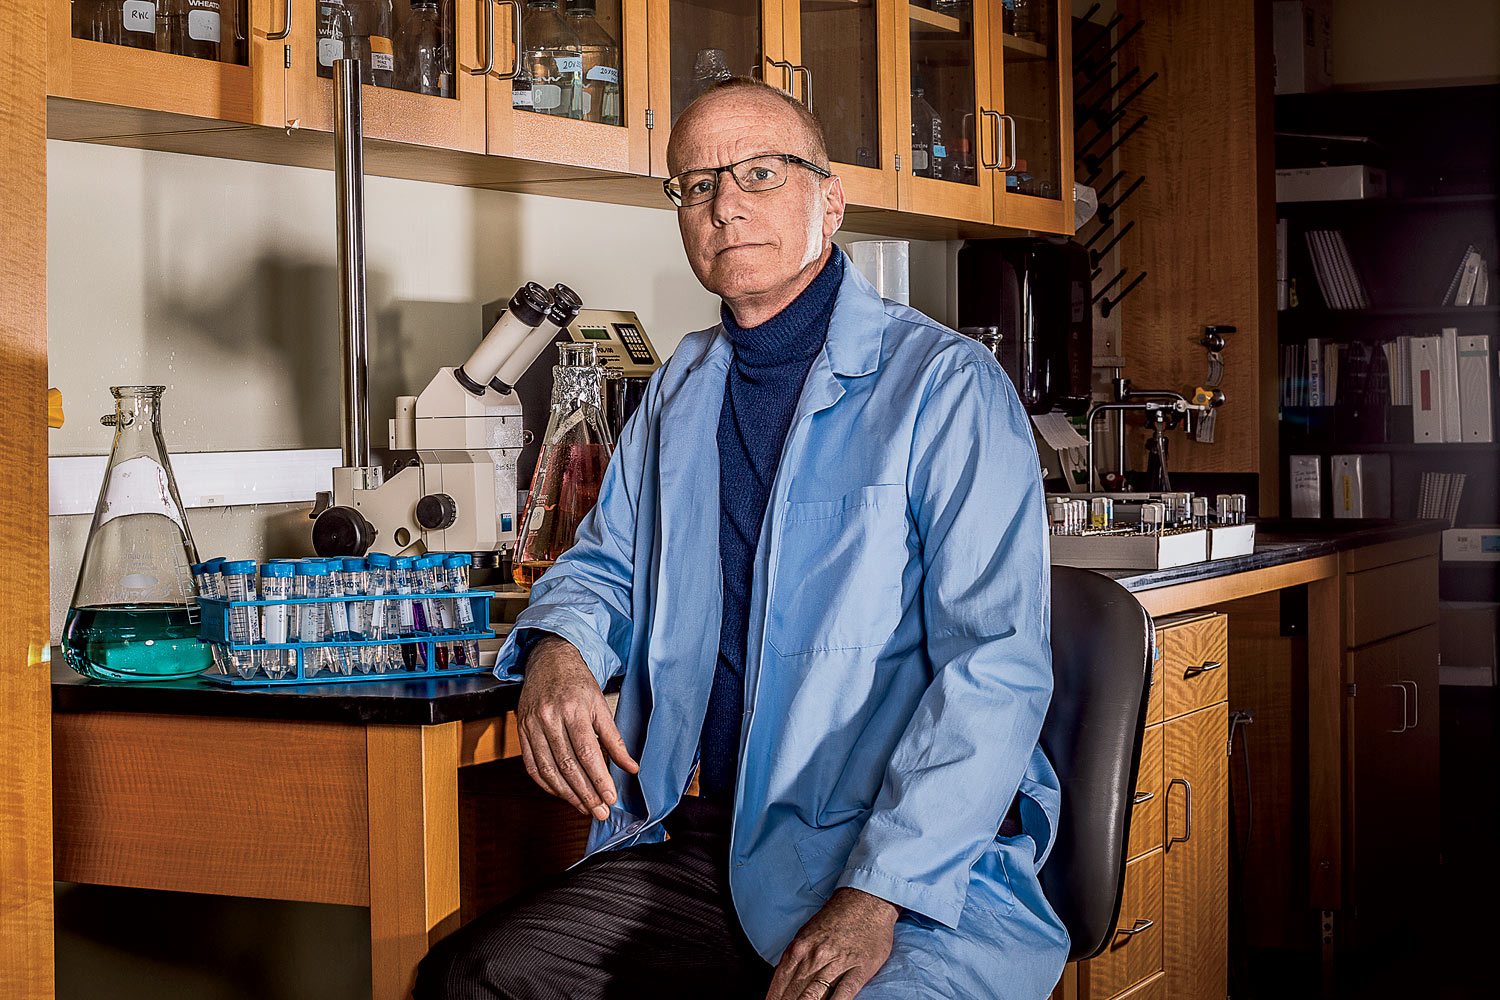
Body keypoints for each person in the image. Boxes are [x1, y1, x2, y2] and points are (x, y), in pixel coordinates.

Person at [415, 77, 1068, 999]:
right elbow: (604, 565)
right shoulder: (680, 389)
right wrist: (558, 648)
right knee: (477, 979)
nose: (725, 204)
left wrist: (875, 896)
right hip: (717, 848)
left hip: (914, 869)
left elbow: (993, 666)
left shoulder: (944, 386)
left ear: (829, 201)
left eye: (761, 173)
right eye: (698, 184)